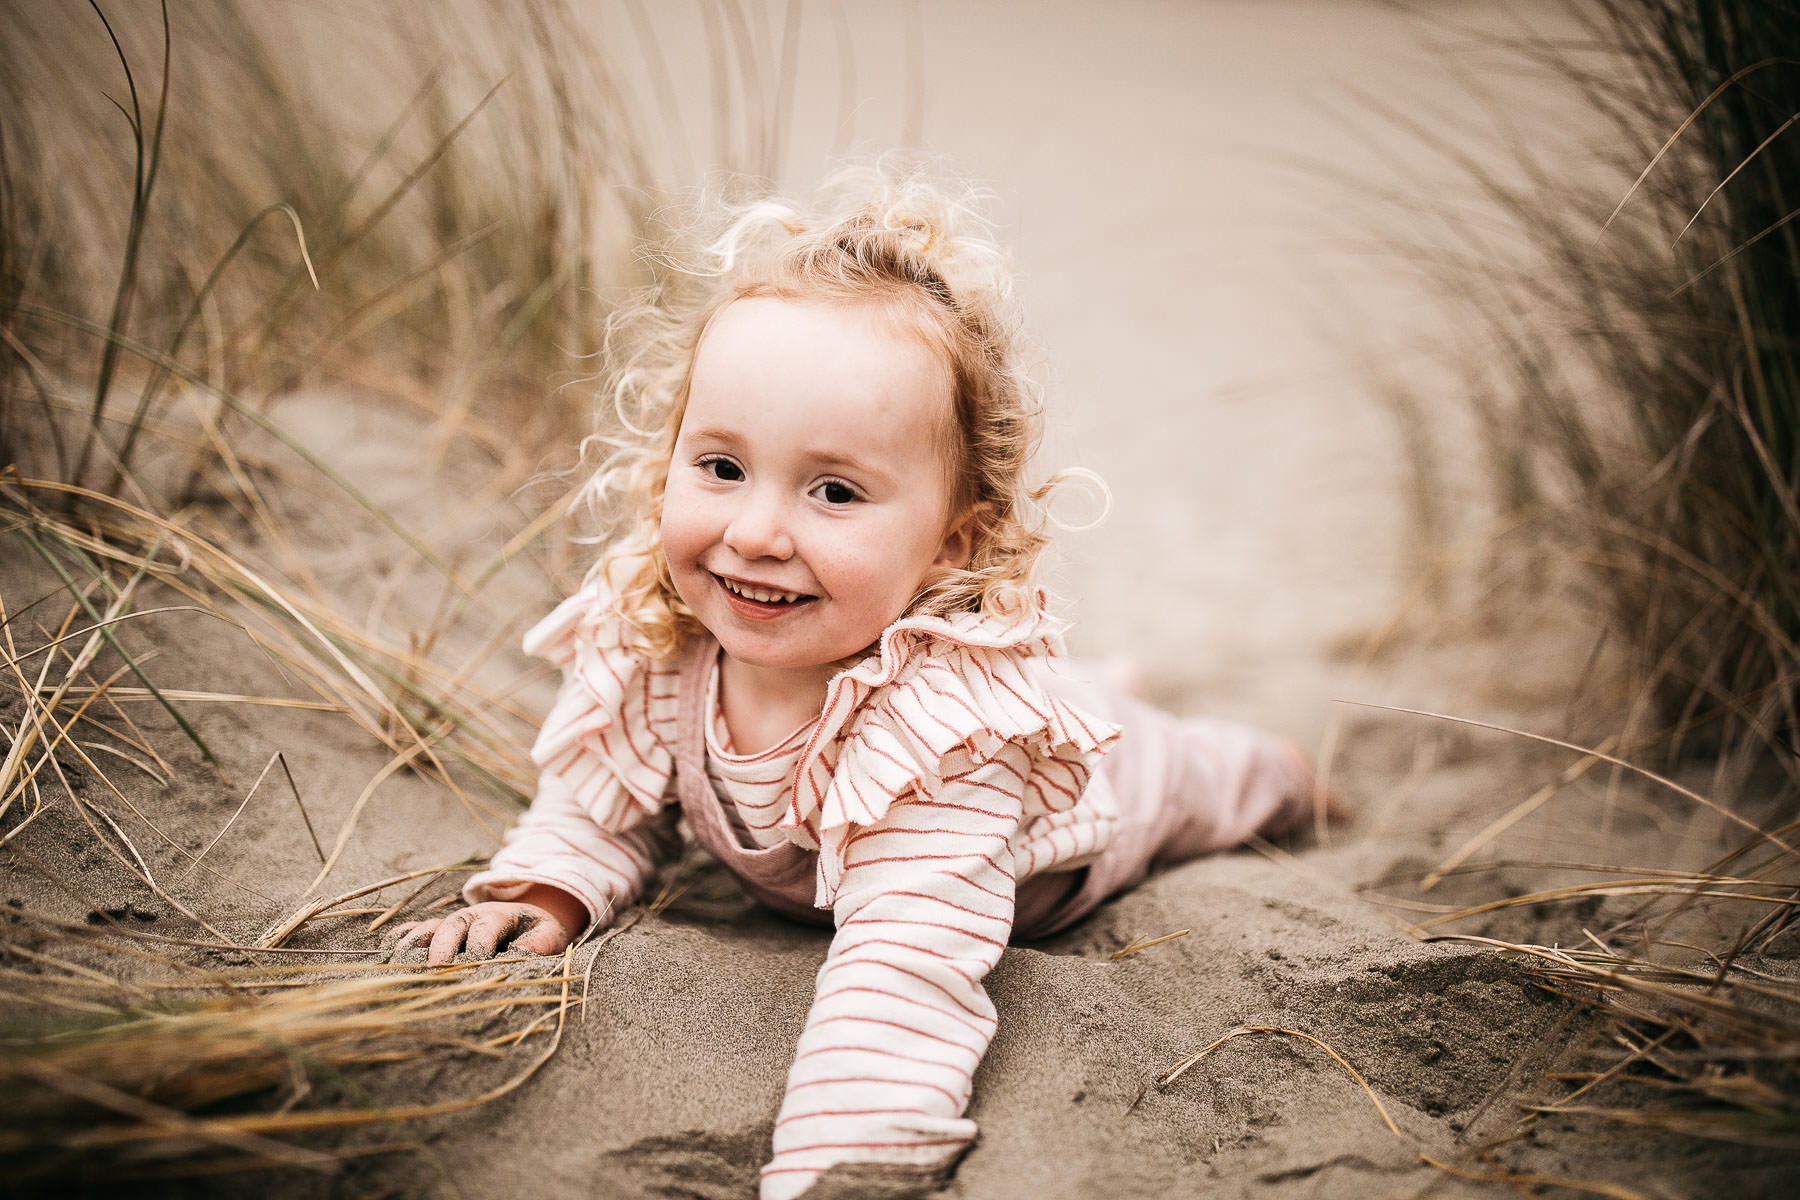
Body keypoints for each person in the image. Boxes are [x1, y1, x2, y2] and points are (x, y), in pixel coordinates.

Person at [391, 163, 1340, 1199]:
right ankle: (1098, 683)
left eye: (834, 491)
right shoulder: (661, 644)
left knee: (1204, 775)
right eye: (721, 468)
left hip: (1093, 814)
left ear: (950, 543)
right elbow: (601, 800)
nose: (757, 532)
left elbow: (903, 970)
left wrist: (838, 1166)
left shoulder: (942, 743)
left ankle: (1281, 769)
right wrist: (546, 890)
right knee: (1093, 697)